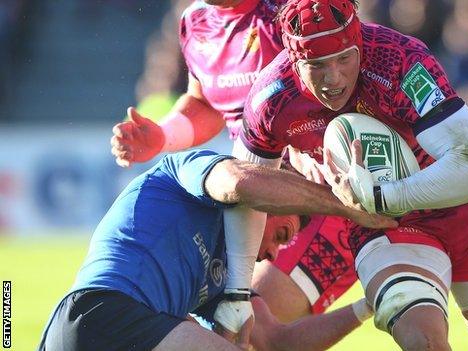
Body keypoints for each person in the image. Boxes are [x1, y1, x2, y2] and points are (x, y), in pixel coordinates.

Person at [233, 0, 468, 349]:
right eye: (316, 66)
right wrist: (234, 290)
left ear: (359, 44)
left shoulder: (401, 60)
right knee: (421, 338)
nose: (332, 78)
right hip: (386, 224)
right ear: (293, 61)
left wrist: (382, 195)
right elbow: (245, 193)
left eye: (343, 59)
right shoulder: (271, 98)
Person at [110, 0, 363, 325]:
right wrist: (162, 136)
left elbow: (348, 71)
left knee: (253, 324)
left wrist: (316, 137)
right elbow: (207, 103)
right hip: (259, 196)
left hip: (327, 190)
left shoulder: (290, 11)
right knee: (228, 326)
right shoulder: (195, 20)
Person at [38, 149, 393, 351]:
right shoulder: (185, 172)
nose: (273, 253)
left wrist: (368, 306)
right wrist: (344, 204)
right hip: (100, 313)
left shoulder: (229, 274)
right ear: (269, 203)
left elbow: (276, 342)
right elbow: (241, 182)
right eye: (281, 234)